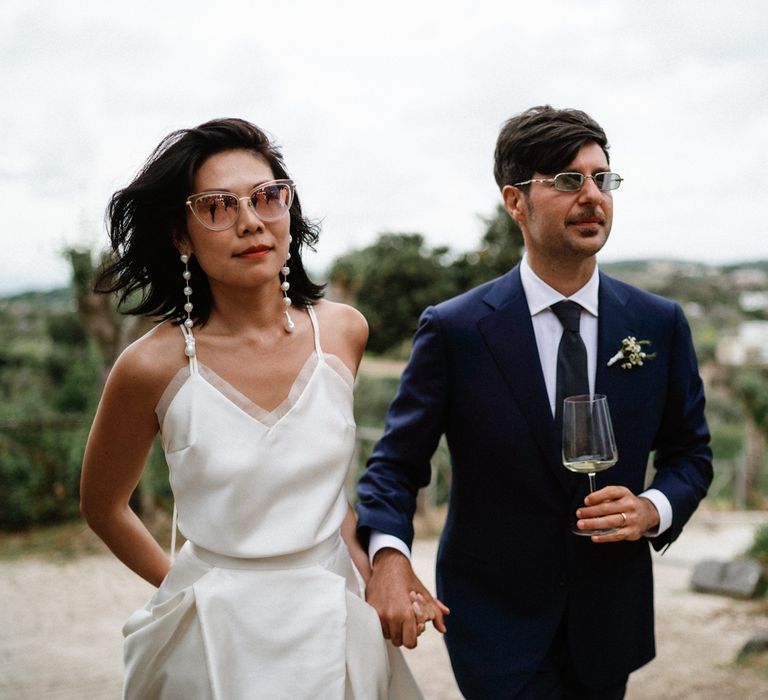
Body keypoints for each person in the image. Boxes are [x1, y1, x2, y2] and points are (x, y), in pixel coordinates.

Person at [356, 105, 713, 699]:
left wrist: (652, 508)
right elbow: (394, 466)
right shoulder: (456, 329)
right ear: (514, 201)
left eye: (603, 178)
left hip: (608, 620)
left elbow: (692, 455)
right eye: (569, 180)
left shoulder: (659, 323)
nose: (593, 195)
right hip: (495, 623)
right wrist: (389, 557)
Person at [79, 118, 426, 699]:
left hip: (335, 624)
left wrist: (378, 576)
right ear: (181, 236)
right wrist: (184, 589)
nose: (251, 221)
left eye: (268, 197)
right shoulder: (149, 366)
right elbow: (102, 505)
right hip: (213, 638)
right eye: (217, 206)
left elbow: (321, 490)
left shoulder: (342, 333)